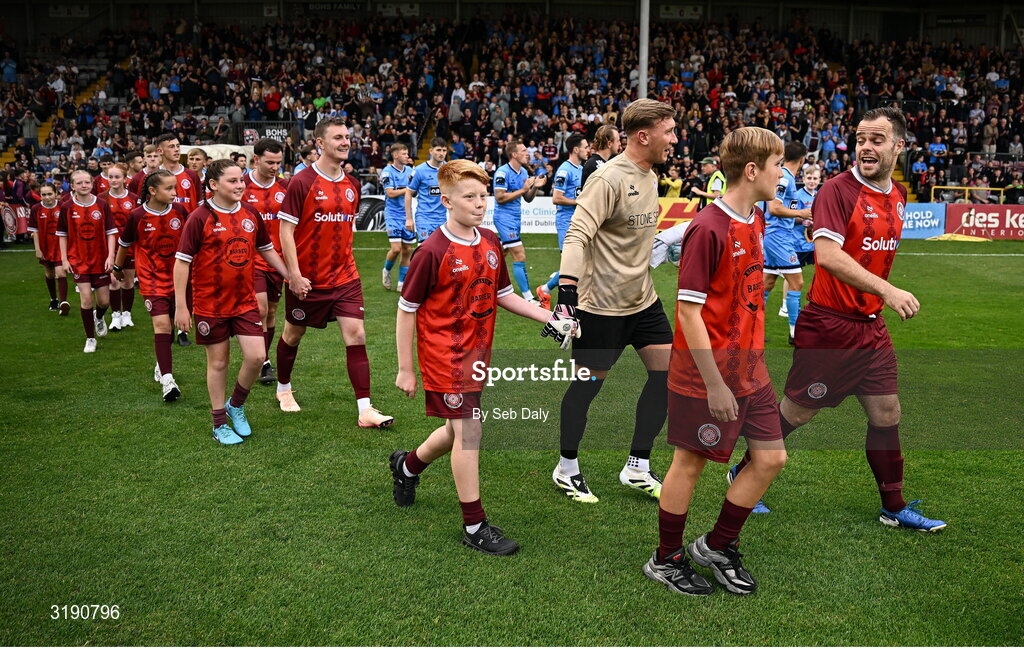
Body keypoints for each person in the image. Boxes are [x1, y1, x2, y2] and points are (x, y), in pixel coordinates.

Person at [729, 106, 947, 532]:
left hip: (871, 327)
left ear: (899, 147)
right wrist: (887, 291)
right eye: (861, 138)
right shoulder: (837, 190)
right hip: (829, 325)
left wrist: (877, 300)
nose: (866, 147)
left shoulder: (898, 196)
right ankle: (743, 470)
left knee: (887, 412)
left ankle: (894, 506)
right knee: (797, 411)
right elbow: (827, 256)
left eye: (877, 140)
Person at [390, 159, 566, 555]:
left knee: (456, 432)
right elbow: (406, 309)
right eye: (469, 196)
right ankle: (474, 525)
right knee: (469, 432)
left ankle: (407, 466)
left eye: (483, 195)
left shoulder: (489, 243)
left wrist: (550, 317)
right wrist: (406, 368)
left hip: (477, 355)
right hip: (444, 357)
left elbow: (503, 296)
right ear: (447, 200)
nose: (480, 203)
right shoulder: (432, 250)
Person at [644, 126, 787, 597]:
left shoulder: (755, 220)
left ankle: (718, 546)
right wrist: (715, 384)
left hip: (752, 369)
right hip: (708, 375)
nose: (781, 173)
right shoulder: (709, 227)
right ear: (752, 171)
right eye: (776, 165)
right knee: (690, 463)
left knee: (770, 458)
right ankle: (666, 559)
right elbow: (687, 311)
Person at [548, 99, 678, 503]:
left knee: (668, 378)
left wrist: (664, 246)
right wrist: (567, 295)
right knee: (587, 388)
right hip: (601, 308)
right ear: (644, 136)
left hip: (644, 301)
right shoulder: (607, 179)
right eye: (669, 132)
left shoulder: (651, 175)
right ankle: (566, 466)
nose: (674, 139)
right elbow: (576, 236)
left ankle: (637, 465)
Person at [274, 117, 394, 428]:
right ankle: (283, 389)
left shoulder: (353, 184)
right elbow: (286, 231)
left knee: (356, 335)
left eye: (347, 137)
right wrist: (294, 275)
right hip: (308, 279)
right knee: (293, 333)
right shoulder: (301, 182)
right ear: (320, 143)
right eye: (338, 137)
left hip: (345, 277)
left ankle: (365, 410)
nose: (345, 142)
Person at [173, 159, 289, 445]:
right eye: (233, 181)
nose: (240, 185)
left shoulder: (250, 214)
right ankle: (218, 423)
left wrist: (291, 276)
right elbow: (182, 263)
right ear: (213, 185)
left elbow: (266, 249)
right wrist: (180, 305)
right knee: (219, 362)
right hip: (210, 304)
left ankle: (235, 404)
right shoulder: (200, 217)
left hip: (244, 301)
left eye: (241, 180)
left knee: (256, 356)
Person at [114, 170, 189, 402]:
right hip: (151, 279)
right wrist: (117, 267)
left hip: (180, 279)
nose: (174, 193)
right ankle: (168, 380)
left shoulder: (180, 212)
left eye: (175, 188)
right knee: (162, 325)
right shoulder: (136, 216)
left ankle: (161, 363)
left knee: (174, 323)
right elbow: (124, 244)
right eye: (169, 188)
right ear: (153, 191)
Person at [243, 138, 290, 385]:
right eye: (270, 162)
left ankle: (262, 358)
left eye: (278, 163)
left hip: (277, 261)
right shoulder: (241, 186)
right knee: (260, 309)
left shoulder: (285, 188)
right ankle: (259, 358)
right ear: (256, 159)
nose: (274, 167)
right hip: (249, 260)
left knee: (270, 312)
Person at [56, 169, 117, 353]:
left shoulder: (102, 204)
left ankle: (99, 317)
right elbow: (62, 235)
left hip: (100, 260)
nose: (84, 186)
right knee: (86, 300)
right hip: (78, 260)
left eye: (87, 182)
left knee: (104, 302)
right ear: (72, 186)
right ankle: (90, 338)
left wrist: (110, 256)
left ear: (92, 184)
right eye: (79, 183)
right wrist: (65, 259)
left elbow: (111, 233)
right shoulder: (67, 207)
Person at [762, 141, 813, 344]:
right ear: (802, 159)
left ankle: (752, 329)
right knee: (797, 281)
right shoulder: (785, 179)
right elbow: (774, 208)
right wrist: (801, 212)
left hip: (775, 235)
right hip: (778, 237)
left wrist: (800, 217)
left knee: (767, 282)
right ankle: (795, 332)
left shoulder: (784, 176)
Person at [537, 134, 589, 308]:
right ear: (576, 150)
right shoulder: (564, 170)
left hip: (578, 220)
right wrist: (579, 202)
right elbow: (556, 198)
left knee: (581, 264)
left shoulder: (581, 169)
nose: (588, 150)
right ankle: (545, 290)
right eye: (585, 147)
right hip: (566, 221)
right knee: (572, 265)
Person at [493, 139, 546, 302]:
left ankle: (485, 281)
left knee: (502, 254)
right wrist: (523, 189)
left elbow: (527, 198)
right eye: (524, 151)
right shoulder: (502, 172)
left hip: (516, 218)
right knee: (520, 255)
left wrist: (535, 187)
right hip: (504, 218)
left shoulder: (523, 172)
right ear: (514, 154)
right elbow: (500, 197)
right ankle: (528, 298)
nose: (527, 154)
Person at [100, 164, 139, 331]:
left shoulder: (134, 199)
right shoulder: (101, 199)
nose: (113, 180)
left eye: (117, 177)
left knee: (128, 282)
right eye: (110, 177)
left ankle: (127, 314)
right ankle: (115, 315)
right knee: (114, 282)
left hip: (129, 247)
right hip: (111, 247)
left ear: (125, 179)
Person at [28, 182, 69, 314]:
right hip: (45, 246)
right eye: (43, 194)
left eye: (49, 194)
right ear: (40, 195)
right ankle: (54, 299)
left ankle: (63, 302)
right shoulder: (36, 209)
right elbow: (35, 231)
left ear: (56, 194)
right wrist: (38, 249)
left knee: (61, 273)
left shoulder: (63, 207)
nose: (47, 197)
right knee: (49, 274)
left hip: (60, 247)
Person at [379, 142, 415, 291]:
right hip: (393, 214)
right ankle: (386, 270)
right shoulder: (387, 172)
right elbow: (391, 193)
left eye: (407, 154)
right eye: (404, 154)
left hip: (407, 213)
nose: (407, 156)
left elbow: (415, 191)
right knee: (396, 249)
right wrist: (408, 189)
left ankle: (401, 283)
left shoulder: (411, 171)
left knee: (407, 249)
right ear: (395, 155)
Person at [406, 138, 448, 243]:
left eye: (444, 150)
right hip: (424, 218)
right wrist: (409, 219)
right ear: (430, 151)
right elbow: (409, 193)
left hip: (442, 219)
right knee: (425, 252)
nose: (441, 153)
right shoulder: (419, 170)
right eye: (438, 150)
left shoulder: (448, 170)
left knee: (441, 254)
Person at [792, 166, 820, 267]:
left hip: (815, 244)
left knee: (819, 273)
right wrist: (804, 221)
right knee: (793, 274)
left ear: (819, 180)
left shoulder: (819, 195)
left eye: (815, 178)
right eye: (809, 178)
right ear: (803, 179)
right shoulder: (797, 196)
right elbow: (789, 217)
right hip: (799, 243)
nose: (812, 181)